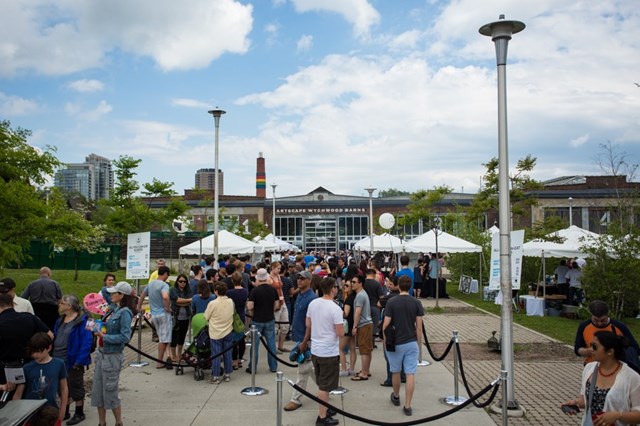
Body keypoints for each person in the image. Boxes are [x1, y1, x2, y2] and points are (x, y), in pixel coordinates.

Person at [561, 331, 640, 425]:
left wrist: (618, 416)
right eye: (590, 345)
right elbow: (586, 399)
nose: (591, 350)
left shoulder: (632, 378)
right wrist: (576, 403)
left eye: (595, 346)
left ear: (610, 352)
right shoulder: (589, 369)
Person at [299, 277, 344, 426]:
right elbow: (340, 332)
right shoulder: (335, 308)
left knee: (322, 382)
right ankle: (322, 417)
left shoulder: (313, 303)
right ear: (333, 289)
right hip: (328, 351)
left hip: (316, 349)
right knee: (325, 385)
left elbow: (308, 324)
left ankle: (325, 407)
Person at [91, 281, 135, 426]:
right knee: (98, 390)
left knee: (110, 390)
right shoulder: (111, 309)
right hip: (101, 353)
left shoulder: (125, 313)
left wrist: (105, 337)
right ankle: (101, 422)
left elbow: (125, 337)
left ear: (121, 295)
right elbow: (103, 292)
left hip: (113, 356)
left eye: (114, 292)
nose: (110, 294)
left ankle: (118, 422)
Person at [382, 275, 424, 416]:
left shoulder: (392, 302)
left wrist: (385, 339)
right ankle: (408, 405)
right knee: (410, 373)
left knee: (395, 371)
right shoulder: (416, 303)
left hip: (395, 342)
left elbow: (386, 324)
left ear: (398, 286)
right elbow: (419, 327)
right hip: (411, 341)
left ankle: (396, 396)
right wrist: (418, 343)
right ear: (410, 286)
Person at [0, 283, 51, 384]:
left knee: (9, 396)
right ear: (12, 304)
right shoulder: (29, 317)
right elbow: (50, 335)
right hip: (29, 363)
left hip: (5, 368)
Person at [53, 295, 93, 425]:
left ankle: (79, 412)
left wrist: (80, 360)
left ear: (69, 306)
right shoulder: (60, 320)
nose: (60, 305)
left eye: (62, 303)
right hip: (58, 359)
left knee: (75, 386)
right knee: (62, 387)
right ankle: (65, 411)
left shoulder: (83, 321)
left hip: (73, 360)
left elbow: (87, 342)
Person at [13, 332, 68, 424]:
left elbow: (64, 388)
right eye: (33, 352)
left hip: (52, 414)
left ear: (49, 348)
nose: (34, 355)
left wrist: (63, 410)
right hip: (29, 414)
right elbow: (18, 393)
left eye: (38, 351)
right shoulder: (26, 368)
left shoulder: (59, 364)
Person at [284, 271, 318, 412]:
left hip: (305, 338)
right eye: (298, 278)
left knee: (303, 370)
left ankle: (295, 398)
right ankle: (326, 388)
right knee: (310, 369)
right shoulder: (300, 295)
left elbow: (311, 324)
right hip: (299, 337)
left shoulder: (311, 298)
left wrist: (305, 341)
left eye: (302, 278)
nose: (299, 280)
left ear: (309, 280)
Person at [574, 300, 639, 364]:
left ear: (608, 314)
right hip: (591, 366)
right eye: (595, 320)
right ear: (591, 315)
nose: (599, 323)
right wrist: (587, 351)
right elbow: (577, 349)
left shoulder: (619, 326)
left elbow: (634, 347)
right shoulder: (584, 326)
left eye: (603, 320)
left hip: (615, 367)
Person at [137, 265, 173, 369]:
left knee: (162, 337)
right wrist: (167, 307)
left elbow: (142, 296)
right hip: (163, 314)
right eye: (168, 275)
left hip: (154, 314)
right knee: (163, 339)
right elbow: (165, 297)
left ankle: (166, 357)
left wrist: (139, 307)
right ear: (165, 273)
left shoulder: (150, 284)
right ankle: (160, 361)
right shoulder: (164, 285)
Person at [245, 268, 279, 374]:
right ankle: (273, 366)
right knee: (271, 344)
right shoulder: (273, 290)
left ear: (258, 279)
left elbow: (250, 306)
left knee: (255, 346)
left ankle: (253, 367)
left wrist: (253, 312)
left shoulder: (254, 291)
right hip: (270, 318)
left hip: (257, 320)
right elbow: (277, 305)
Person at [203, 283, 235, 384]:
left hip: (216, 332)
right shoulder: (230, 301)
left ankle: (215, 376)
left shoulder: (213, 303)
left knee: (216, 354)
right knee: (227, 353)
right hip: (228, 330)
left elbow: (206, 316)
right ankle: (227, 374)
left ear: (216, 291)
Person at [350, 274, 373, 381]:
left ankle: (364, 373)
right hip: (367, 324)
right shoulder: (362, 294)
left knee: (364, 350)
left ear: (360, 283)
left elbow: (358, 312)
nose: (351, 284)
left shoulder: (360, 296)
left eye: (354, 282)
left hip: (364, 325)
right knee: (367, 349)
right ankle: (366, 370)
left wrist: (355, 326)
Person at [226, 272, 248, 370]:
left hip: (232, 316)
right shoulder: (245, 291)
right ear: (241, 280)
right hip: (242, 316)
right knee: (241, 339)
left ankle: (234, 360)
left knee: (233, 340)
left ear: (232, 281)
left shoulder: (229, 292)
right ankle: (239, 359)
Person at [169, 274, 193, 363]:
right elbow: (177, 301)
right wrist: (187, 300)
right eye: (181, 281)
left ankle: (179, 354)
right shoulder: (173, 290)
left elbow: (186, 301)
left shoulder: (188, 290)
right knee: (174, 335)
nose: (183, 283)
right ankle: (173, 355)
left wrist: (182, 301)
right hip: (176, 315)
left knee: (182, 336)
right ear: (177, 281)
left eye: (184, 281)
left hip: (186, 316)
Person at [270, 261, 290, 353]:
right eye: (277, 268)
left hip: (282, 302)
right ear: (273, 268)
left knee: (285, 325)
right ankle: (273, 347)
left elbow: (280, 288)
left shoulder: (278, 277)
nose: (279, 270)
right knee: (275, 326)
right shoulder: (269, 278)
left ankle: (280, 346)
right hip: (275, 303)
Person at [339, 278, 357, 377]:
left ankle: (344, 369)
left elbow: (345, 313)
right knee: (352, 348)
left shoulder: (349, 299)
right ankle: (352, 369)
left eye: (347, 285)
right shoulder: (355, 297)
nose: (344, 287)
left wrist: (339, 311)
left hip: (346, 325)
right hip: (353, 324)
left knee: (340, 348)